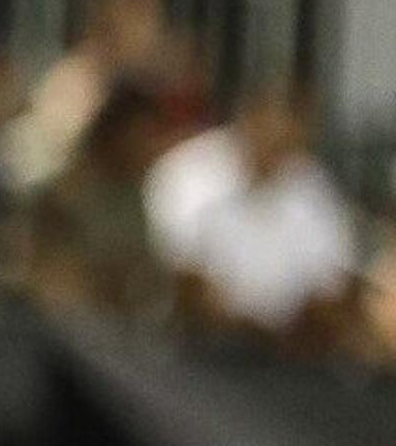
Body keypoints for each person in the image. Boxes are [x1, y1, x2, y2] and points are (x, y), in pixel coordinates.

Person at [144, 83, 361, 344]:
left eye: (290, 142)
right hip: (191, 345)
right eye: (273, 135)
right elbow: (182, 273)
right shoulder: (187, 173)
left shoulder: (311, 183)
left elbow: (333, 282)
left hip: (285, 352)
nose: (278, 152)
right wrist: (243, 324)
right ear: (249, 119)